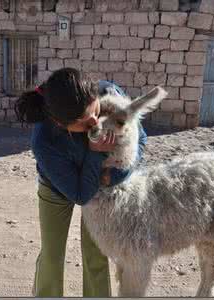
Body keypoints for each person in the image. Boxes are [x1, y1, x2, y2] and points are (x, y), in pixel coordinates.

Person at [14, 67, 147, 297]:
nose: (95, 122)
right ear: (59, 123)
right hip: (57, 188)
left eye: (95, 110)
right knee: (52, 254)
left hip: (101, 189)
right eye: (84, 124)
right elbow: (79, 194)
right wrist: (95, 153)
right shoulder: (44, 140)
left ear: (95, 94)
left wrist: (110, 178)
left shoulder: (110, 94)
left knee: (96, 252)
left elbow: (140, 141)